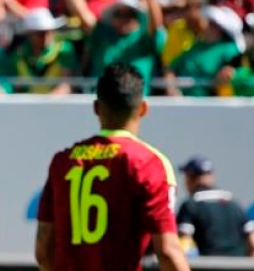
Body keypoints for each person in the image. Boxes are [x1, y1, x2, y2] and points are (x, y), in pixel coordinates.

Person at [34, 62, 190, 271]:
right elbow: (168, 251)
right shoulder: (149, 163)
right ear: (143, 108)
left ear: (97, 108)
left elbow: (43, 251)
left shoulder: (63, 161)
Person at [177, 155, 254, 257]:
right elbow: (252, 242)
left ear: (190, 179)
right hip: (238, 265)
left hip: (207, 265)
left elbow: (184, 243)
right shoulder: (234, 204)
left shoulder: (190, 206)